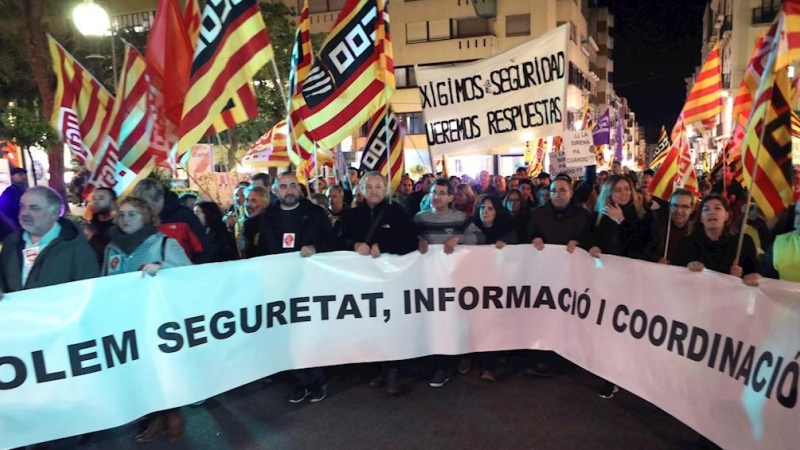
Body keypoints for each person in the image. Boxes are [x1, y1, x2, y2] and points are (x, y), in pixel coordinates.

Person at [102, 197, 191, 443]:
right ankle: (154, 418)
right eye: (121, 214)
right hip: (126, 321)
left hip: (158, 321)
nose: (125, 219)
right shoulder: (112, 248)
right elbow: (104, 282)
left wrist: (163, 266)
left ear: (146, 218)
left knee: (163, 371)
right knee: (139, 374)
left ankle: (172, 415)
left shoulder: (163, 244)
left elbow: (190, 274)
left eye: (132, 214)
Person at [251, 172, 337, 403]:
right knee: (287, 334)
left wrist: (315, 247)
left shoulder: (315, 213)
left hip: (310, 284)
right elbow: (262, 251)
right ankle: (300, 381)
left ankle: (318, 381)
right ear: (276, 191)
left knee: (309, 333)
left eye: (292, 186)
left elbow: (333, 242)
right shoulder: (268, 216)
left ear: (298, 188)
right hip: (279, 285)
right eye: (283, 187)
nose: (288, 190)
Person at [415, 178, 484, 388]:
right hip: (428, 281)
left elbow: (481, 237)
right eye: (434, 192)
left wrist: (459, 238)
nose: (437, 196)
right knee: (435, 322)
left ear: (451, 197)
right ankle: (439, 364)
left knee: (456, 319)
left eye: (442, 193)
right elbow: (404, 240)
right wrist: (416, 239)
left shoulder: (461, 218)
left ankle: (460, 354)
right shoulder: (420, 218)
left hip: (456, 280)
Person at [0, 186, 99, 295]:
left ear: (54, 213)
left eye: (34, 208)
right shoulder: (11, 242)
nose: (24, 213)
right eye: (22, 206)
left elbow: (88, 294)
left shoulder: (76, 248)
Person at [672, 194, 758, 278]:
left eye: (717, 208)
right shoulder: (687, 243)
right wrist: (689, 268)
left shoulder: (744, 242)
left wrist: (742, 276)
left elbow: (755, 276)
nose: (711, 212)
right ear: (701, 218)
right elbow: (676, 273)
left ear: (727, 215)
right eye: (706, 209)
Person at [132, 179, 209, 264]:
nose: (145, 211)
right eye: (140, 208)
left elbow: (203, 250)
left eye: (149, 206)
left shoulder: (184, 218)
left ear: (161, 198)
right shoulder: (139, 219)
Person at [749, 202, 800, 284]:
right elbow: (765, 276)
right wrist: (756, 278)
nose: (798, 221)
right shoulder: (779, 243)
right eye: (797, 213)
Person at [647, 188, 695, 264]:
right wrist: (656, 259)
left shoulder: (696, 232)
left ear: (692, 209)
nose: (679, 210)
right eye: (675, 205)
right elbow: (645, 251)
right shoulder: (657, 226)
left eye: (685, 206)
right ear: (669, 207)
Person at [86, 187, 117, 265]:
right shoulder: (91, 223)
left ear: (112, 202)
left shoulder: (119, 225)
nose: (95, 202)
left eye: (101, 198)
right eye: (93, 198)